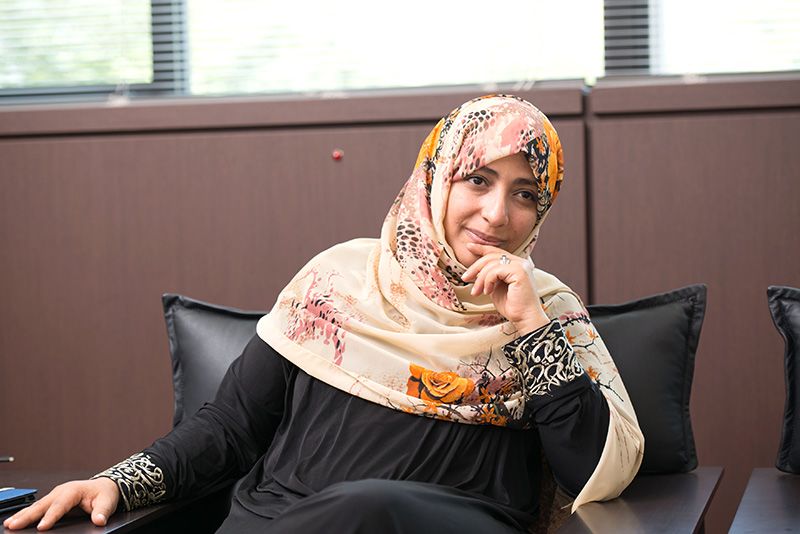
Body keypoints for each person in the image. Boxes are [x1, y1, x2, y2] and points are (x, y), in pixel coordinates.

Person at [4, 94, 643, 533]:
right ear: (435, 180)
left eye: (525, 194)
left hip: (447, 524)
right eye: (477, 180)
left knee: (369, 509)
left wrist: (531, 330)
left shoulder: (546, 311)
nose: (498, 214)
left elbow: (592, 470)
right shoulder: (338, 279)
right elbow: (230, 428)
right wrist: (120, 483)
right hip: (278, 521)